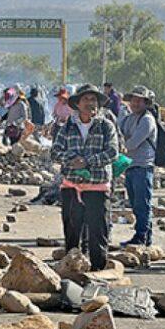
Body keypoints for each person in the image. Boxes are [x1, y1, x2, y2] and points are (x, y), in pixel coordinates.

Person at [50, 84, 119, 271]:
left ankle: (98, 270)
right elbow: (55, 152)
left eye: (93, 99)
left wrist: (87, 161)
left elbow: (113, 152)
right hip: (71, 187)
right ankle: (72, 269)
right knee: (72, 232)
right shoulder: (68, 127)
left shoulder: (106, 126)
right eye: (86, 99)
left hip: (97, 187)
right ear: (78, 104)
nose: (90, 103)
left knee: (98, 232)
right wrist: (72, 160)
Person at [119, 85, 158, 246]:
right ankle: (142, 234)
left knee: (143, 204)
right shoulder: (129, 118)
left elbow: (132, 143)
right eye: (133, 100)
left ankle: (142, 236)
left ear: (145, 103)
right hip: (130, 166)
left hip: (143, 166)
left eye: (139, 101)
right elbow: (119, 135)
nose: (135, 103)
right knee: (136, 204)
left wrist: (122, 145)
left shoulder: (147, 119)